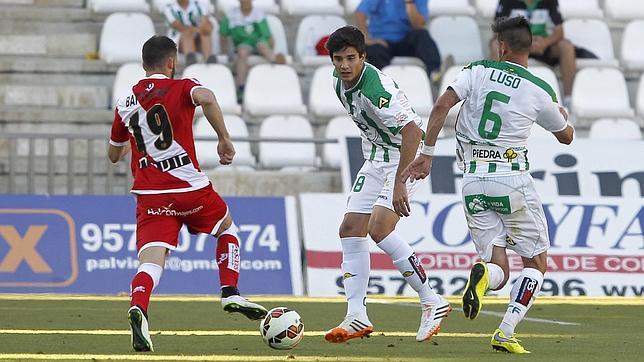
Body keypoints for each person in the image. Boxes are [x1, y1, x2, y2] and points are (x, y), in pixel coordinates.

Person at [403, 17, 574, 353]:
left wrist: (428, 154)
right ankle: (505, 332)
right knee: (536, 264)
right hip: (511, 180)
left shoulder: (477, 70)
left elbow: (441, 106)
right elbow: (566, 137)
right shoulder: (539, 89)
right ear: (530, 47)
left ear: (502, 46)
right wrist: (562, 115)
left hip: (472, 181)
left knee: (499, 268)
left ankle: (485, 273)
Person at [108, 35, 267, 352]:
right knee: (227, 228)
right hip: (189, 188)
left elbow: (113, 155)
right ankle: (230, 292)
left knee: (151, 261)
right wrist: (224, 138)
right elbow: (207, 97)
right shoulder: (182, 85)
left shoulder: (125, 103)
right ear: (171, 62)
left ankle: (140, 307)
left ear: (143, 66)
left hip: (150, 194)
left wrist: (139, 144)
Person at [323, 26, 450, 344]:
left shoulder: (376, 88)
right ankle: (356, 316)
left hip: (407, 156)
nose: (344, 65)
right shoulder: (339, 83)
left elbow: (411, 131)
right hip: (378, 157)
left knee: (379, 227)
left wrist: (399, 183)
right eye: (338, 59)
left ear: (363, 56)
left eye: (351, 58)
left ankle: (431, 301)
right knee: (350, 228)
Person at [491, 0, 577, 109]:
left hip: (541, 45)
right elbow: (498, 30)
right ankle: (496, 94)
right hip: (515, 44)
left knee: (566, 46)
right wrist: (524, 43)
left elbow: (559, 31)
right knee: (496, 45)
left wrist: (545, 43)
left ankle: (568, 99)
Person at [355, 0, 441, 79]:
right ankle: (382, 85)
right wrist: (366, 39)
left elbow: (419, 25)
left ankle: (435, 74)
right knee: (374, 51)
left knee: (422, 35)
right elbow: (360, 12)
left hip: (406, 40)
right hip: (381, 42)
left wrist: (409, 3)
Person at [219, 0, 286, 101]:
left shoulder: (258, 14)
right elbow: (223, 35)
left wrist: (270, 47)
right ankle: (241, 88)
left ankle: (275, 61)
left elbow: (268, 36)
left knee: (262, 45)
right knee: (243, 52)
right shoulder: (231, 15)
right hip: (242, 45)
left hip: (258, 43)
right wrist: (224, 52)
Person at [164, 0, 217, 66]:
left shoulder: (199, 5)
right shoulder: (169, 8)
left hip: (198, 38)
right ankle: (190, 58)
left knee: (205, 33)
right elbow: (179, 26)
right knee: (187, 33)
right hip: (178, 42)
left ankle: (209, 58)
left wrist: (205, 28)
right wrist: (197, 29)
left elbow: (205, 22)